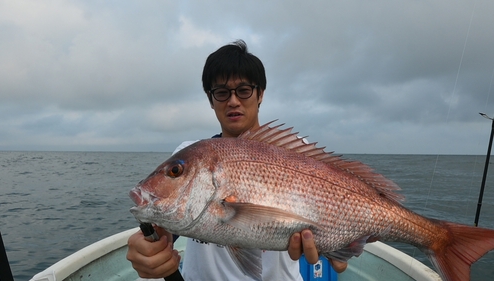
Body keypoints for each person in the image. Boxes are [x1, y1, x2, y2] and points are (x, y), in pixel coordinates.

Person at [127, 40, 348, 280]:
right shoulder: (188, 153)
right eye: (221, 92)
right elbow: (167, 229)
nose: (233, 101)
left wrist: (340, 248)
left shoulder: (298, 154)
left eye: (244, 90)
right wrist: (149, 249)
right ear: (211, 100)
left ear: (260, 93)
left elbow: (341, 223)